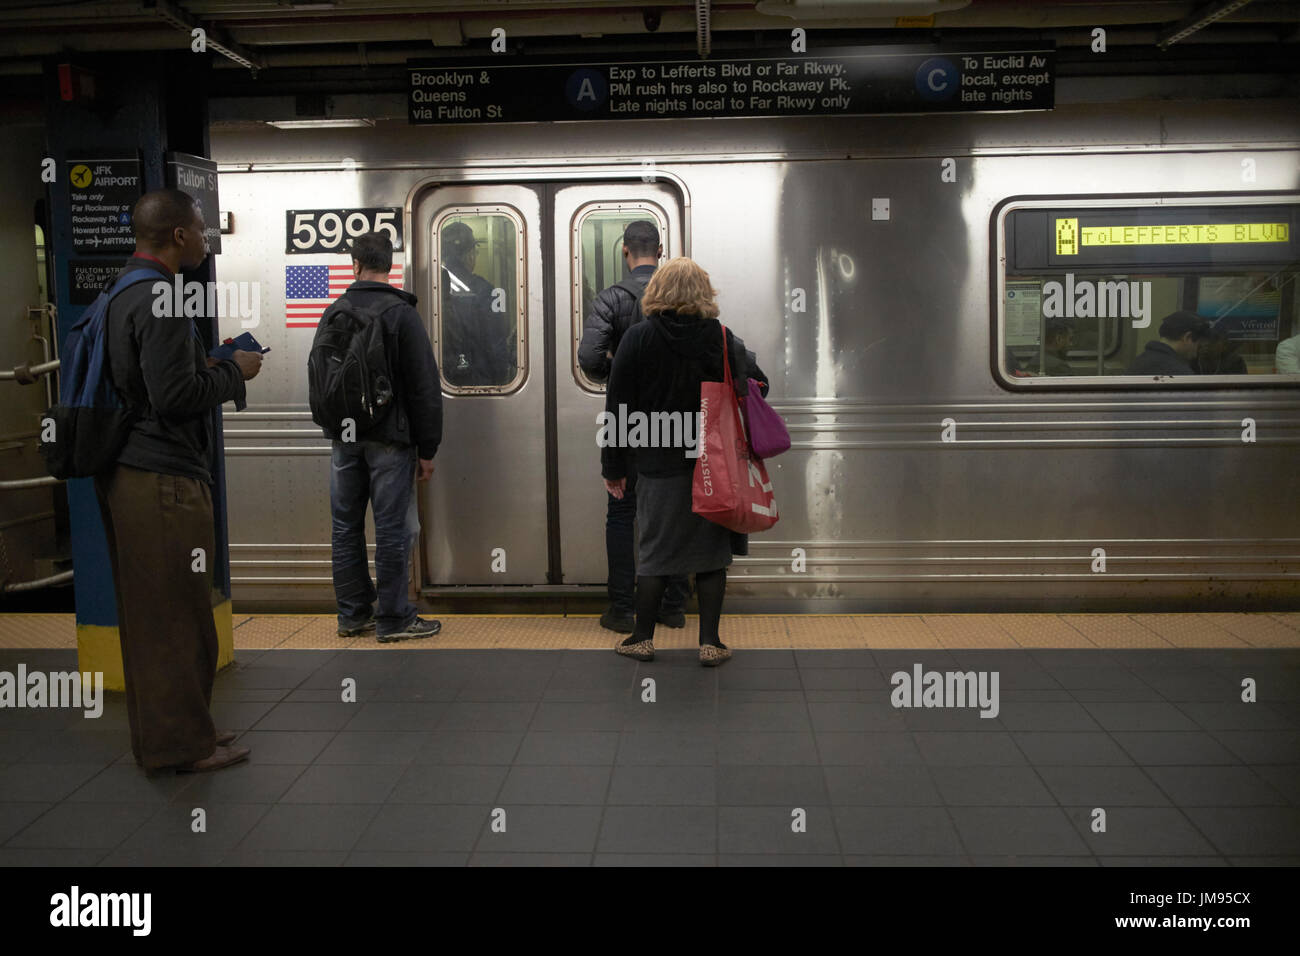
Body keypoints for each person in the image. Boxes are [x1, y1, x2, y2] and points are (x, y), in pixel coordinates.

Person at [96, 189, 260, 773]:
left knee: (160, 616)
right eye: (202, 227)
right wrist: (234, 373)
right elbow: (175, 398)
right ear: (181, 236)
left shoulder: (122, 291)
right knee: (174, 619)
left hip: (135, 473)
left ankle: (183, 733)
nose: (207, 237)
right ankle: (180, 748)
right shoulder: (162, 297)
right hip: (162, 479)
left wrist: (207, 362)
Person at [602, 257, 769, 667]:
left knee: (655, 551)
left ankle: (641, 638)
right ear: (703, 294)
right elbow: (761, 384)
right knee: (711, 556)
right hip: (713, 462)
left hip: (657, 462)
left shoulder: (638, 339)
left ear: (657, 292)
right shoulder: (723, 339)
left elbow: (618, 404)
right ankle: (710, 643)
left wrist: (614, 467)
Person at [319, 232, 443, 643]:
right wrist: (428, 449)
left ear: (354, 264)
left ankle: (353, 615)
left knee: (345, 526)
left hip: (343, 438)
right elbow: (424, 387)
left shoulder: (335, 310)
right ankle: (394, 619)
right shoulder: (400, 313)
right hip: (390, 440)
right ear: (389, 265)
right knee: (393, 529)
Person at [577, 221, 689, 633]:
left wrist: (619, 366)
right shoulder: (682, 301)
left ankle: (623, 609)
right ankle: (672, 606)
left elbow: (588, 359)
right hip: (677, 426)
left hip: (627, 425)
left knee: (622, 514)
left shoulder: (610, 299)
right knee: (675, 513)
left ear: (625, 252)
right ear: (659, 251)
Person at [439, 221, 508, 387]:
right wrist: (501, 377)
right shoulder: (484, 290)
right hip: (478, 380)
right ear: (469, 255)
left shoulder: (432, 287)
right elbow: (495, 343)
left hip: (442, 380)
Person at [1124, 311, 1210, 375]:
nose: (1196, 354)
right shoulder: (1179, 373)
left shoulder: (1140, 361)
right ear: (1187, 337)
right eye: (1199, 345)